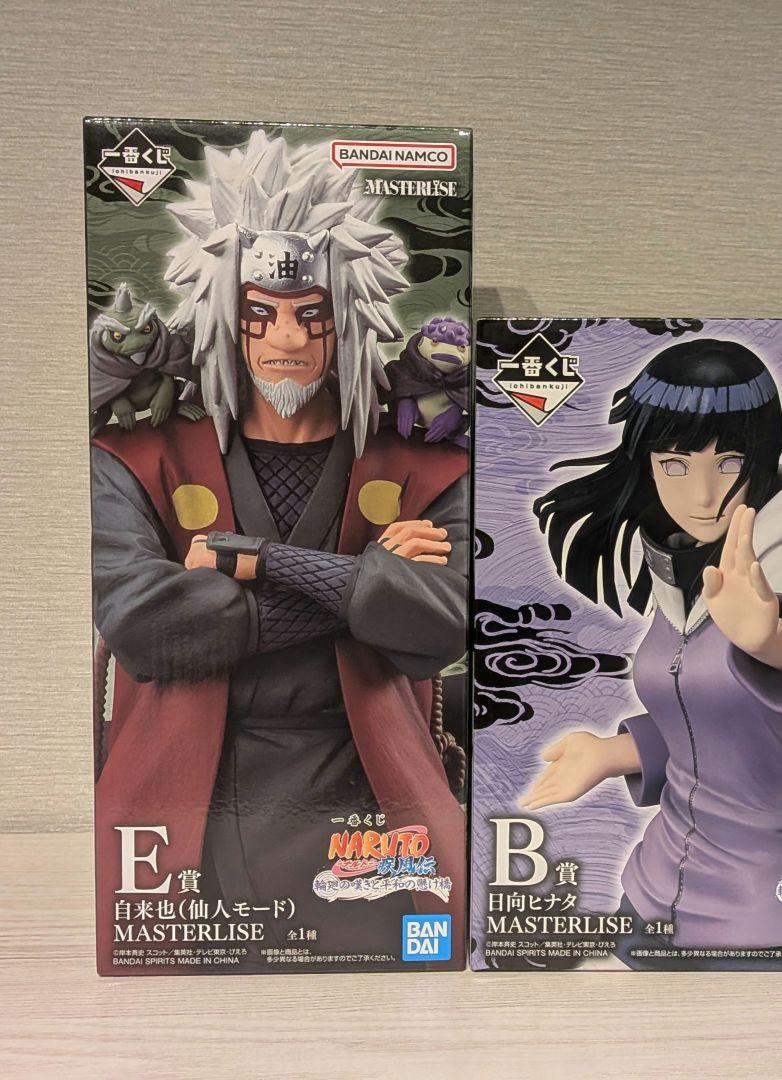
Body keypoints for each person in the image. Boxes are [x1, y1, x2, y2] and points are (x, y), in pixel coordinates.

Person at [91, 130, 468, 972]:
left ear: (351, 318)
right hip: (187, 797)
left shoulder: (428, 461)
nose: (287, 340)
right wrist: (367, 586)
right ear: (221, 316)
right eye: (258, 315)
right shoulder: (134, 454)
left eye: (312, 315)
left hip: (377, 793)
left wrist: (254, 562)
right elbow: (146, 628)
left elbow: (442, 626)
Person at [525, 338, 782, 970]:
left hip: (776, 914)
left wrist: (775, 639)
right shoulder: (683, 565)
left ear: (762, 458)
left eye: (730, 462)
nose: (704, 495)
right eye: (675, 464)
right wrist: (610, 753)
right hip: (654, 898)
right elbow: (709, 726)